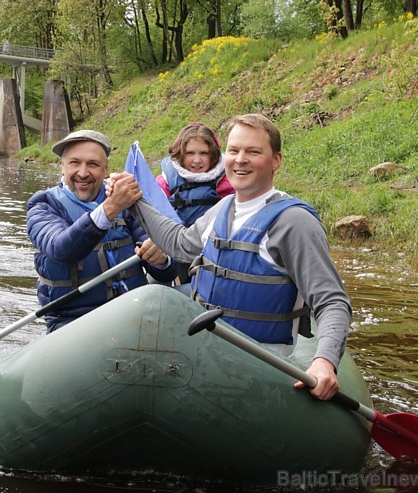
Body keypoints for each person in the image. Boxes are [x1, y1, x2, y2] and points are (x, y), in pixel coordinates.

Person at [108, 114, 351, 400]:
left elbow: (332, 300)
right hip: (207, 356)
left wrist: (324, 361)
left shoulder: (293, 221)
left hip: (262, 365)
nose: (240, 159)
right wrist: (136, 203)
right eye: (234, 151)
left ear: (276, 161)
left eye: (253, 151)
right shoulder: (224, 207)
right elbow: (180, 244)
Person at [26, 130, 178, 334]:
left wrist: (160, 259)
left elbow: (169, 271)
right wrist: (109, 209)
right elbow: (61, 249)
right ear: (62, 167)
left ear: (105, 169)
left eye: (93, 164)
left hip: (132, 312)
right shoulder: (43, 205)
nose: (83, 172)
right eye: (74, 163)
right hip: (73, 321)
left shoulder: (125, 202)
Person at [156, 122, 234, 282]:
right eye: (190, 153)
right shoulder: (167, 179)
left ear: (213, 155)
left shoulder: (225, 178)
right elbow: (155, 207)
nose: (197, 160)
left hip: (216, 247)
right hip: (181, 247)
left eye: (203, 153)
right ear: (180, 154)